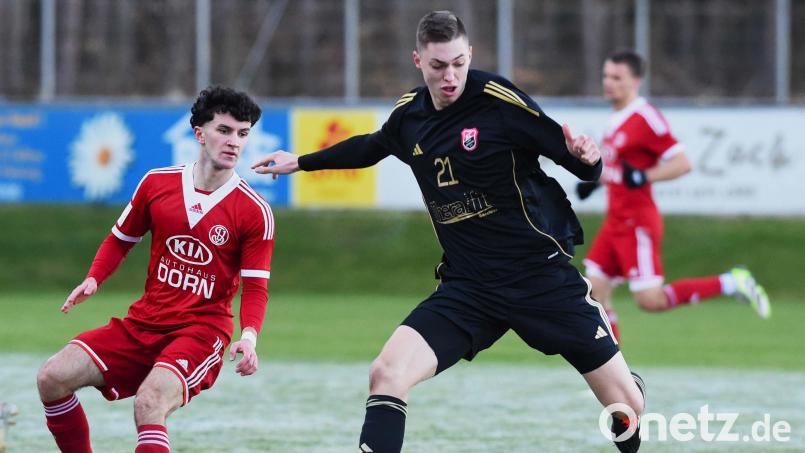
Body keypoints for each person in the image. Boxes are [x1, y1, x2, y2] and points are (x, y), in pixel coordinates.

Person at [254, 11, 644, 452]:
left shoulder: (497, 100)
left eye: (459, 63)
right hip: (469, 287)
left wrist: (587, 157)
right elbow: (372, 147)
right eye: (439, 66)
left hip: (539, 280)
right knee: (386, 373)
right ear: (418, 61)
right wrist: (301, 162)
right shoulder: (410, 117)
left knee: (626, 411)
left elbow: (575, 159)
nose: (450, 76)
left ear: (470, 55)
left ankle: (630, 390)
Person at [36, 86, 273, 453]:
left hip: (201, 331)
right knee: (52, 377)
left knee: (149, 403)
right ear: (199, 133)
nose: (234, 142)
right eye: (224, 130)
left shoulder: (253, 210)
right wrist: (94, 277)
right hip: (143, 323)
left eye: (243, 134)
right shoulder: (157, 183)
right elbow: (120, 239)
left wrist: (250, 336)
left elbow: (256, 287)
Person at [576, 49, 771, 342]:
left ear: (637, 81)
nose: (608, 82)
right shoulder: (615, 119)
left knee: (649, 300)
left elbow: (682, 162)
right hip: (615, 221)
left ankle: (731, 282)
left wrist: (645, 176)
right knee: (594, 294)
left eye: (617, 77)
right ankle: (619, 379)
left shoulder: (646, 117)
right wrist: (597, 182)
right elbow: (622, 169)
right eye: (606, 76)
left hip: (636, 223)